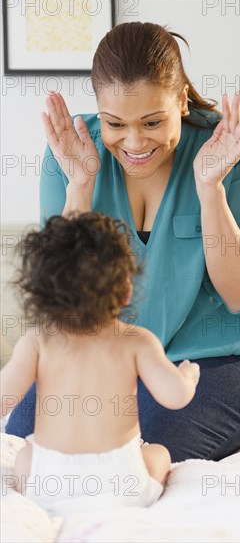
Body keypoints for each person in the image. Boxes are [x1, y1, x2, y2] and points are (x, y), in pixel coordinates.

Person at [5, 21, 240, 462]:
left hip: (214, 356)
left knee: (143, 453)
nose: (135, 141)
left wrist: (210, 188)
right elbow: (63, 298)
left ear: (180, 100)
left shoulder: (237, 149)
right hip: (99, 350)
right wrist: (80, 185)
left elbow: (239, 297)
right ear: (98, 111)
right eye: (115, 123)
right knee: (30, 443)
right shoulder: (72, 149)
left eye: (153, 121)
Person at [0, 212, 200, 515]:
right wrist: (186, 376)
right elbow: (174, 397)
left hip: (50, 483)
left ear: (40, 295)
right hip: (121, 482)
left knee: (24, 458)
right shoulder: (137, 341)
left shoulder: (37, 342)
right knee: (158, 454)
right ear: (125, 291)